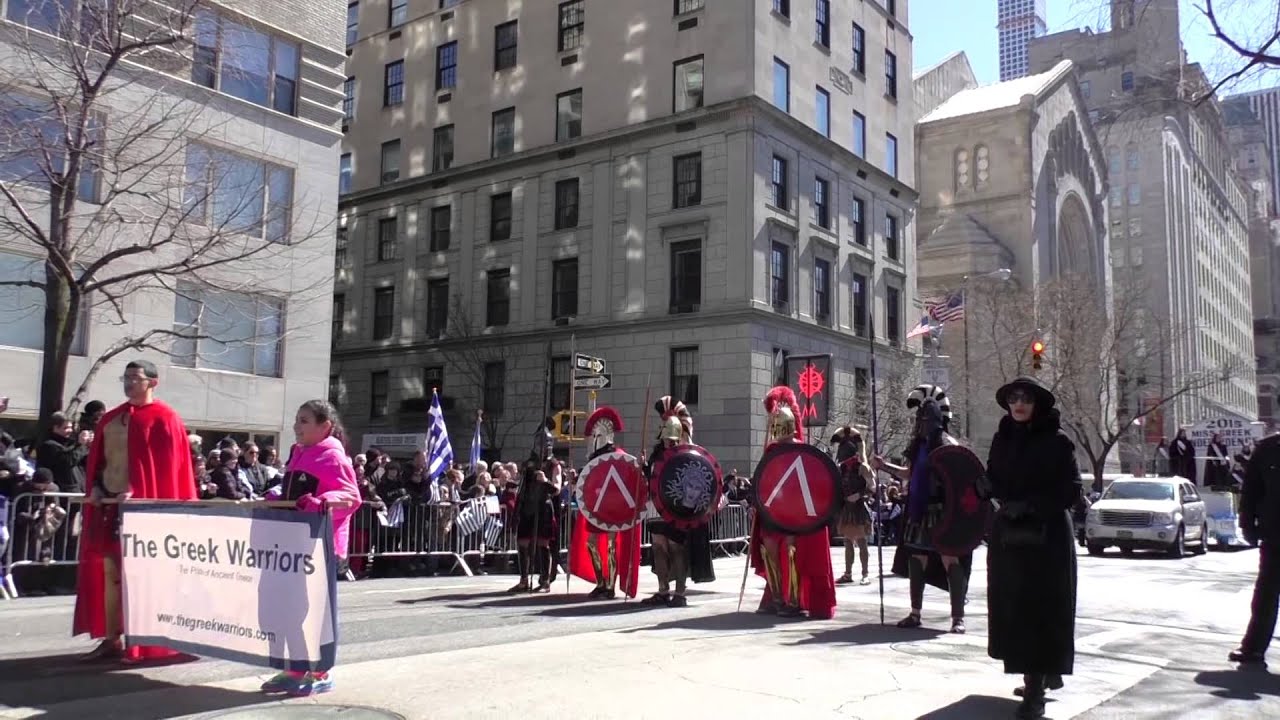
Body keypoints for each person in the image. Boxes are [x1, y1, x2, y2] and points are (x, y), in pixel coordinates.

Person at [73, 360, 196, 662]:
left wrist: (141, 493)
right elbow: (99, 462)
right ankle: (112, 637)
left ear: (152, 382)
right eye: (126, 378)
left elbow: (169, 471)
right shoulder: (111, 419)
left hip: (145, 512)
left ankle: (143, 639)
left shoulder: (166, 418)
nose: (129, 383)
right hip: (110, 507)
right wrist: (96, 488)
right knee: (110, 572)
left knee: (141, 575)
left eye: (135, 378)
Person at [985, 377, 1079, 719]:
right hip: (1010, 537)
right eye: (1013, 398)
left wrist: (1032, 506)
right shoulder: (1002, 439)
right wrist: (984, 486)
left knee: (1041, 611)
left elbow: (1071, 490)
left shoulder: (1058, 441)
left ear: (1037, 403)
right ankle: (1035, 674)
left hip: (1047, 539)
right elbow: (995, 478)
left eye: (1025, 398)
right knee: (1013, 608)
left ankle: (1036, 691)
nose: (1019, 404)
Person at [260, 399, 361, 696]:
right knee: (289, 608)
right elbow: (294, 489)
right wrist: (277, 495)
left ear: (324, 426)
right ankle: (295, 667)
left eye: (304, 420)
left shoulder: (333, 457)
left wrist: (322, 503)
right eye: (296, 419)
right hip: (294, 543)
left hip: (322, 545)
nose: (296, 426)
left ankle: (320, 670)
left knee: (314, 611)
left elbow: (351, 497)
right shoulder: (298, 452)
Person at [874, 384, 971, 634]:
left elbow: (959, 479)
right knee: (917, 558)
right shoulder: (918, 446)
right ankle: (915, 613)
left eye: (926, 419)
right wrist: (884, 466)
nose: (922, 424)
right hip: (919, 509)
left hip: (943, 511)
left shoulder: (948, 444)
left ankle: (957, 617)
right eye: (920, 419)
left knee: (950, 558)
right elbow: (910, 473)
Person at [749, 386, 837, 620]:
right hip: (772, 511)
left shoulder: (803, 451)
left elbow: (814, 483)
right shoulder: (772, 451)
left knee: (791, 552)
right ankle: (776, 599)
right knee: (769, 550)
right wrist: (755, 502)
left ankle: (793, 601)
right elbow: (763, 481)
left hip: (795, 514)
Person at [641, 396, 714, 607]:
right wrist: (643, 466)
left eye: (672, 438)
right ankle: (663, 590)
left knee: (676, 548)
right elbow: (652, 478)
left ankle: (680, 593)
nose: (669, 442)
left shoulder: (685, 455)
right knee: (658, 548)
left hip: (677, 509)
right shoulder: (657, 455)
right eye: (666, 437)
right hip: (656, 507)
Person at [570, 407, 641, 600]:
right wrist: (576, 479)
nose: (596, 439)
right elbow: (589, 483)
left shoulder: (618, 455)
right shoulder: (594, 459)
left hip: (615, 508)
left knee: (611, 545)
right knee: (591, 543)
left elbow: (629, 479)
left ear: (609, 435)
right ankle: (601, 582)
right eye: (594, 435)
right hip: (598, 507)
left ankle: (610, 586)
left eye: (599, 435)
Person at [1230, 430, 1280, 666]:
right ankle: (1253, 648)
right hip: (1275, 535)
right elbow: (1251, 490)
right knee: (1265, 595)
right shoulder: (1268, 448)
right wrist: (1247, 524)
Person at [831, 426, 876, 586]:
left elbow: (873, 487)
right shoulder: (841, 469)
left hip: (858, 507)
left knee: (862, 541)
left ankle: (865, 574)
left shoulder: (862, 467)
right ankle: (848, 573)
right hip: (846, 508)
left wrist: (860, 495)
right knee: (848, 542)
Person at [509, 456, 561, 593]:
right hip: (526, 507)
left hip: (543, 508)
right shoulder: (528, 464)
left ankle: (545, 580)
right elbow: (521, 489)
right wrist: (516, 513)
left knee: (543, 543)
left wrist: (545, 481)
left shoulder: (553, 465)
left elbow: (556, 489)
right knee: (522, 542)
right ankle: (524, 580)